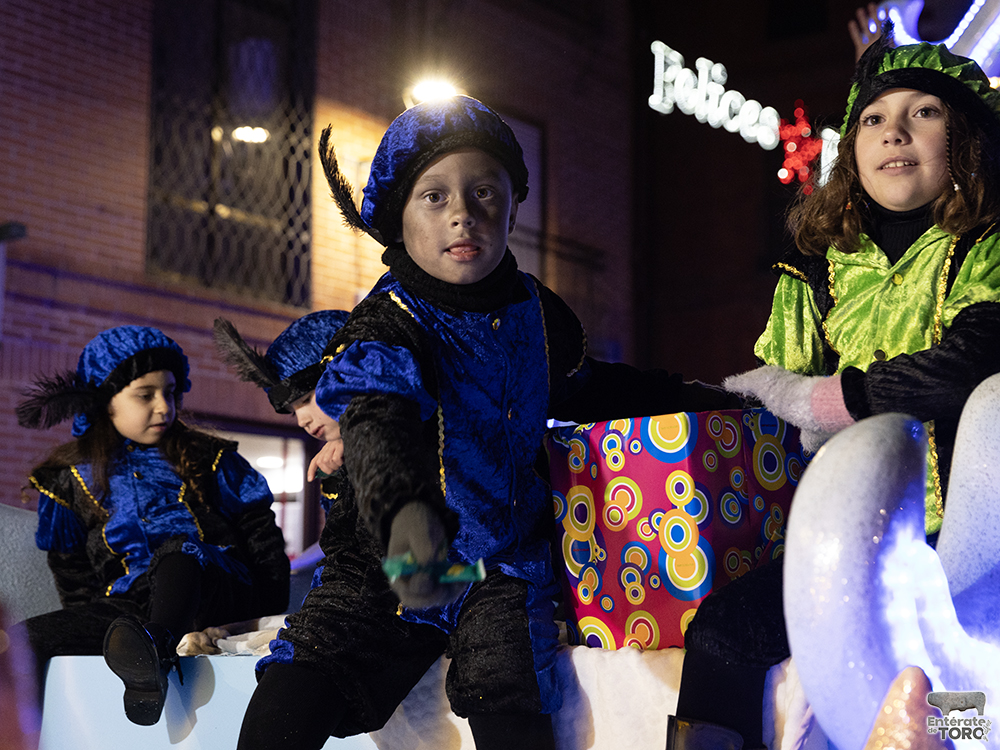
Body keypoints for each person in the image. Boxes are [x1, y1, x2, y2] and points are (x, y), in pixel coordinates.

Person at [232, 95, 736, 750]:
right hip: (391, 562)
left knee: (509, 692)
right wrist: (410, 529)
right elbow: (378, 427)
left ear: (513, 205)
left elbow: (590, 389)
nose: (463, 213)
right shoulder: (392, 322)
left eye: (483, 192)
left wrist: (717, 398)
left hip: (499, 565)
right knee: (300, 685)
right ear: (398, 217)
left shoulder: (534, 310)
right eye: (434, 197)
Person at [674, 22, 1000, 750]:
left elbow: (975, 359)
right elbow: (759, 396)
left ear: (969, 140)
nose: (895, 132)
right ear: (850, 149)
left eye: (924, 113)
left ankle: (954, 735)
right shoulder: (817, 267)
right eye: (875, 119)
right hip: (846, 541)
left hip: (974, 542)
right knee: (722, 636)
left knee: (963, 688)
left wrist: (833, 399)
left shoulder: (987, 247)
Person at [15, 325, 289, 726]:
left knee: (178, 551)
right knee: (24, 643)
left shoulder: (208, 458)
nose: (164, 407)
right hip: (130, 607)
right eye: (146, 395)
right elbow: (72, 570)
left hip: (213, 592)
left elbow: (261, 538)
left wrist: (261, 616)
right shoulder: (69, 478)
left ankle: (154, 655)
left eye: (170, 392)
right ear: (105, 401)